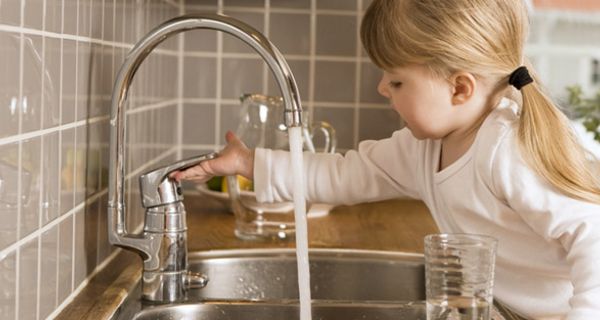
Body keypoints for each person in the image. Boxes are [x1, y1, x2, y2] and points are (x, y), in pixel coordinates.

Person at [173, 0, 600, 318]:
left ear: (460, 88)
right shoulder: (424, 147)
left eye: (396, 80)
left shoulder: (507, 148)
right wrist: (251, 163)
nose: (382, 88)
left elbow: (591, 236)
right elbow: (345, 175)